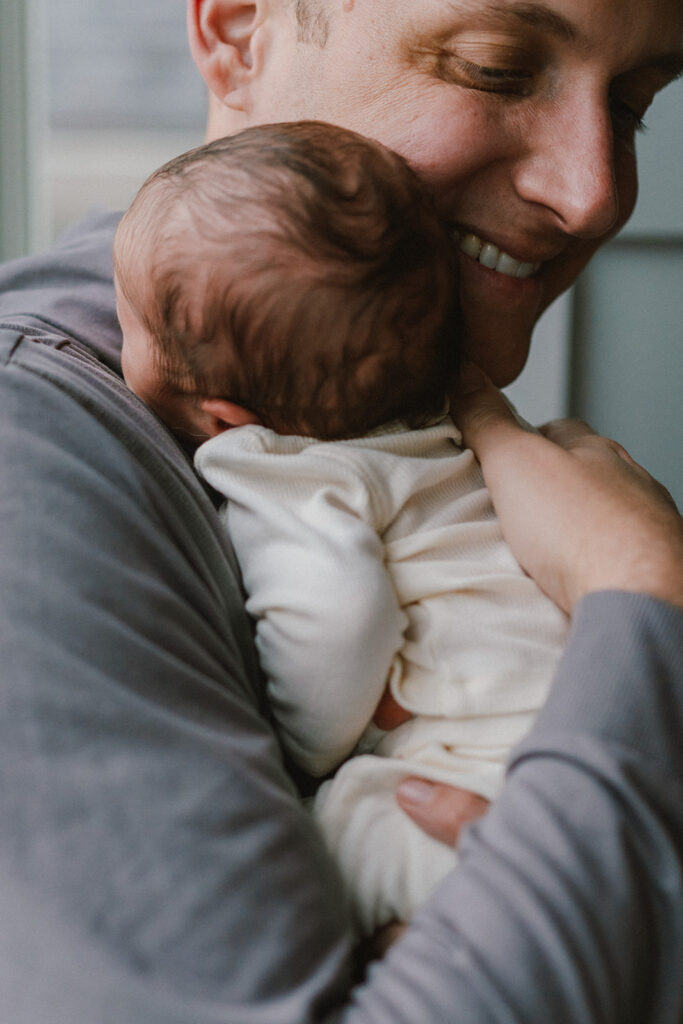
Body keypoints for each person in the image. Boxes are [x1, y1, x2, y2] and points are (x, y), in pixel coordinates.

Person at [0, 0, 682, 1019]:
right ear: (238, 34)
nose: (590, 193)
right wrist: (641, 596)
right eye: (495, 68)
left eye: (631, 106)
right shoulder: (32, 465)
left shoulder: (355, 389)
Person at [114, 119, 570, 933]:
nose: (116, 340)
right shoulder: (437, 433)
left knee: (324, 842)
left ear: (225, 417)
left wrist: (306, 749)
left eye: (130, 328)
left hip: (481, 790)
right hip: (576, 746)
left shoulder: (283, 468)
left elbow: (338, 615)